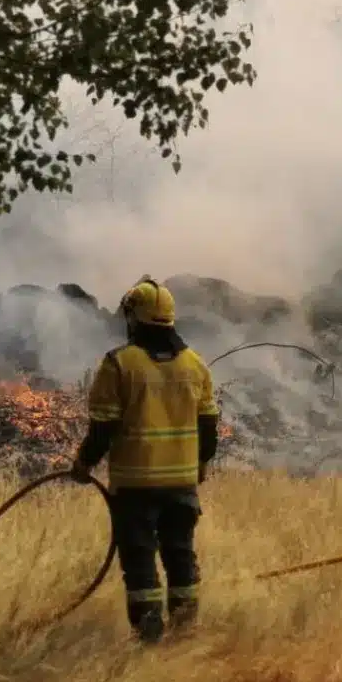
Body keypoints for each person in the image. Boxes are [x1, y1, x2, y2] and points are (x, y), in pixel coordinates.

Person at [69, 276, 222, 644]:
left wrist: (84, 463)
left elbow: (103, 427)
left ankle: (149, 637)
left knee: (140, 560)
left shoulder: (119, 365)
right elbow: (209, 427)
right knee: (180, 555)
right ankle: (185, 632)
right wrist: (199, 466)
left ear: (134, 317)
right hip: (181, 484)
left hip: (135, 484)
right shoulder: (195, 365)